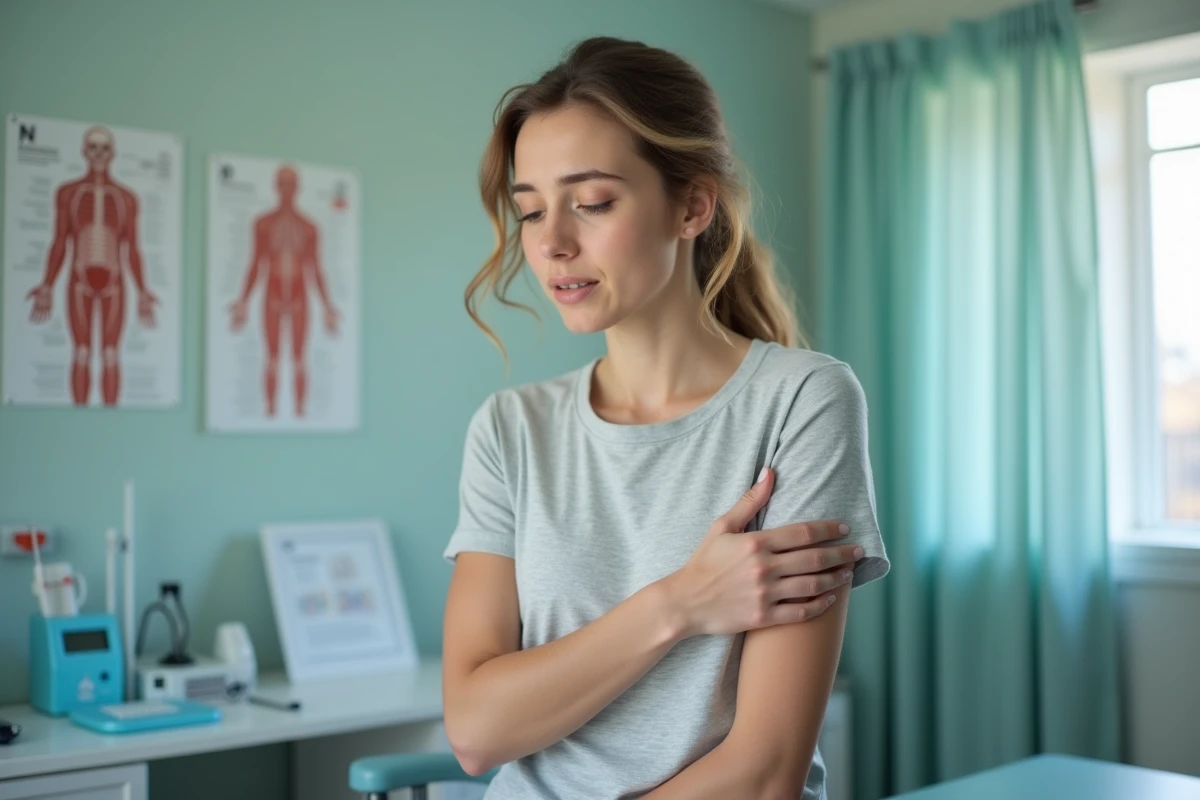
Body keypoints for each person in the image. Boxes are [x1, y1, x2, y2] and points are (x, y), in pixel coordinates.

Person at [442, 37, 890, 800]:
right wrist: (679, 602)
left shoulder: (802, 402)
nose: (551, 243)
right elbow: (478, 732)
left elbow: (765, 773)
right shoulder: (510, 430)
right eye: (530, 211)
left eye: (592, 203)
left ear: (692, 206)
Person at [27, 125, 158, 406]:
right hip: (79, 279)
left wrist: (143, 291)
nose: (99, 154)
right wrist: (47, 285)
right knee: (82, 352)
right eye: (93, 147)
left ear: (113, 154)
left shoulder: (126, 198)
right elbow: (60, 242)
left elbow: (132, 248)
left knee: (111, 353)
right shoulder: (68, 193)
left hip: (114, 281)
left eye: (104, 148)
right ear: (84, 152)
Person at [228, 165, 340, 418]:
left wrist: (327, 307)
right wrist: (243, 301)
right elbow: (256, 263)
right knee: (272, 358)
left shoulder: (310, 227)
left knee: (300, 358)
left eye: (291, 184)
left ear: (297, 188)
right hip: (272, 295)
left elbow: (316, 269)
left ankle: (299, 412)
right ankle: (270, 411)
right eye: (282, 184)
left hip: (300, 296)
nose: (287, 189)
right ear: (276, 187)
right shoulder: (263, 224)